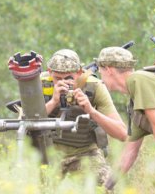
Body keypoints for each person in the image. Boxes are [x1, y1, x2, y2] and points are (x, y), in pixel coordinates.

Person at [43, 49, 127, 187]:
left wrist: (91, 111)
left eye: (69, 78)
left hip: (84, 154)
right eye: (57, 78)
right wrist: (53, 102)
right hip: (47, 156)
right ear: (49, 71)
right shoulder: (41, 84)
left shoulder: (94, 87)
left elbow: (122, 133)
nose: (63, 83)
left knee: (106, 184)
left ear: (80, 72)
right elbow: (23, 123)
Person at [95, 46, 155, 180]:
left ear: (108, 69)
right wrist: (108, 186)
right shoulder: (137, 102)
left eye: (101, 73)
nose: (101, 80)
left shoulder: (137, 80)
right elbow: (130, 152)